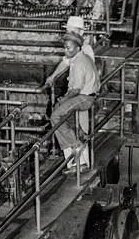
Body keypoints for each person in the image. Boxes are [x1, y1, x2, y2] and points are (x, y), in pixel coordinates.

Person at [43, 30, 100, 170]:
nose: (66, 51)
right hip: (86, 95)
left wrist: (63, 101)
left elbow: (75, 90)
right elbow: (65, 65)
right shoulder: (80, 57)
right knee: (62, 111)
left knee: (55, 116)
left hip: (84, 98)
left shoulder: (79, 63)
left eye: (68, 48)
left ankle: (76, 146)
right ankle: (78, 141)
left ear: (77, 48)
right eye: (65, 48)